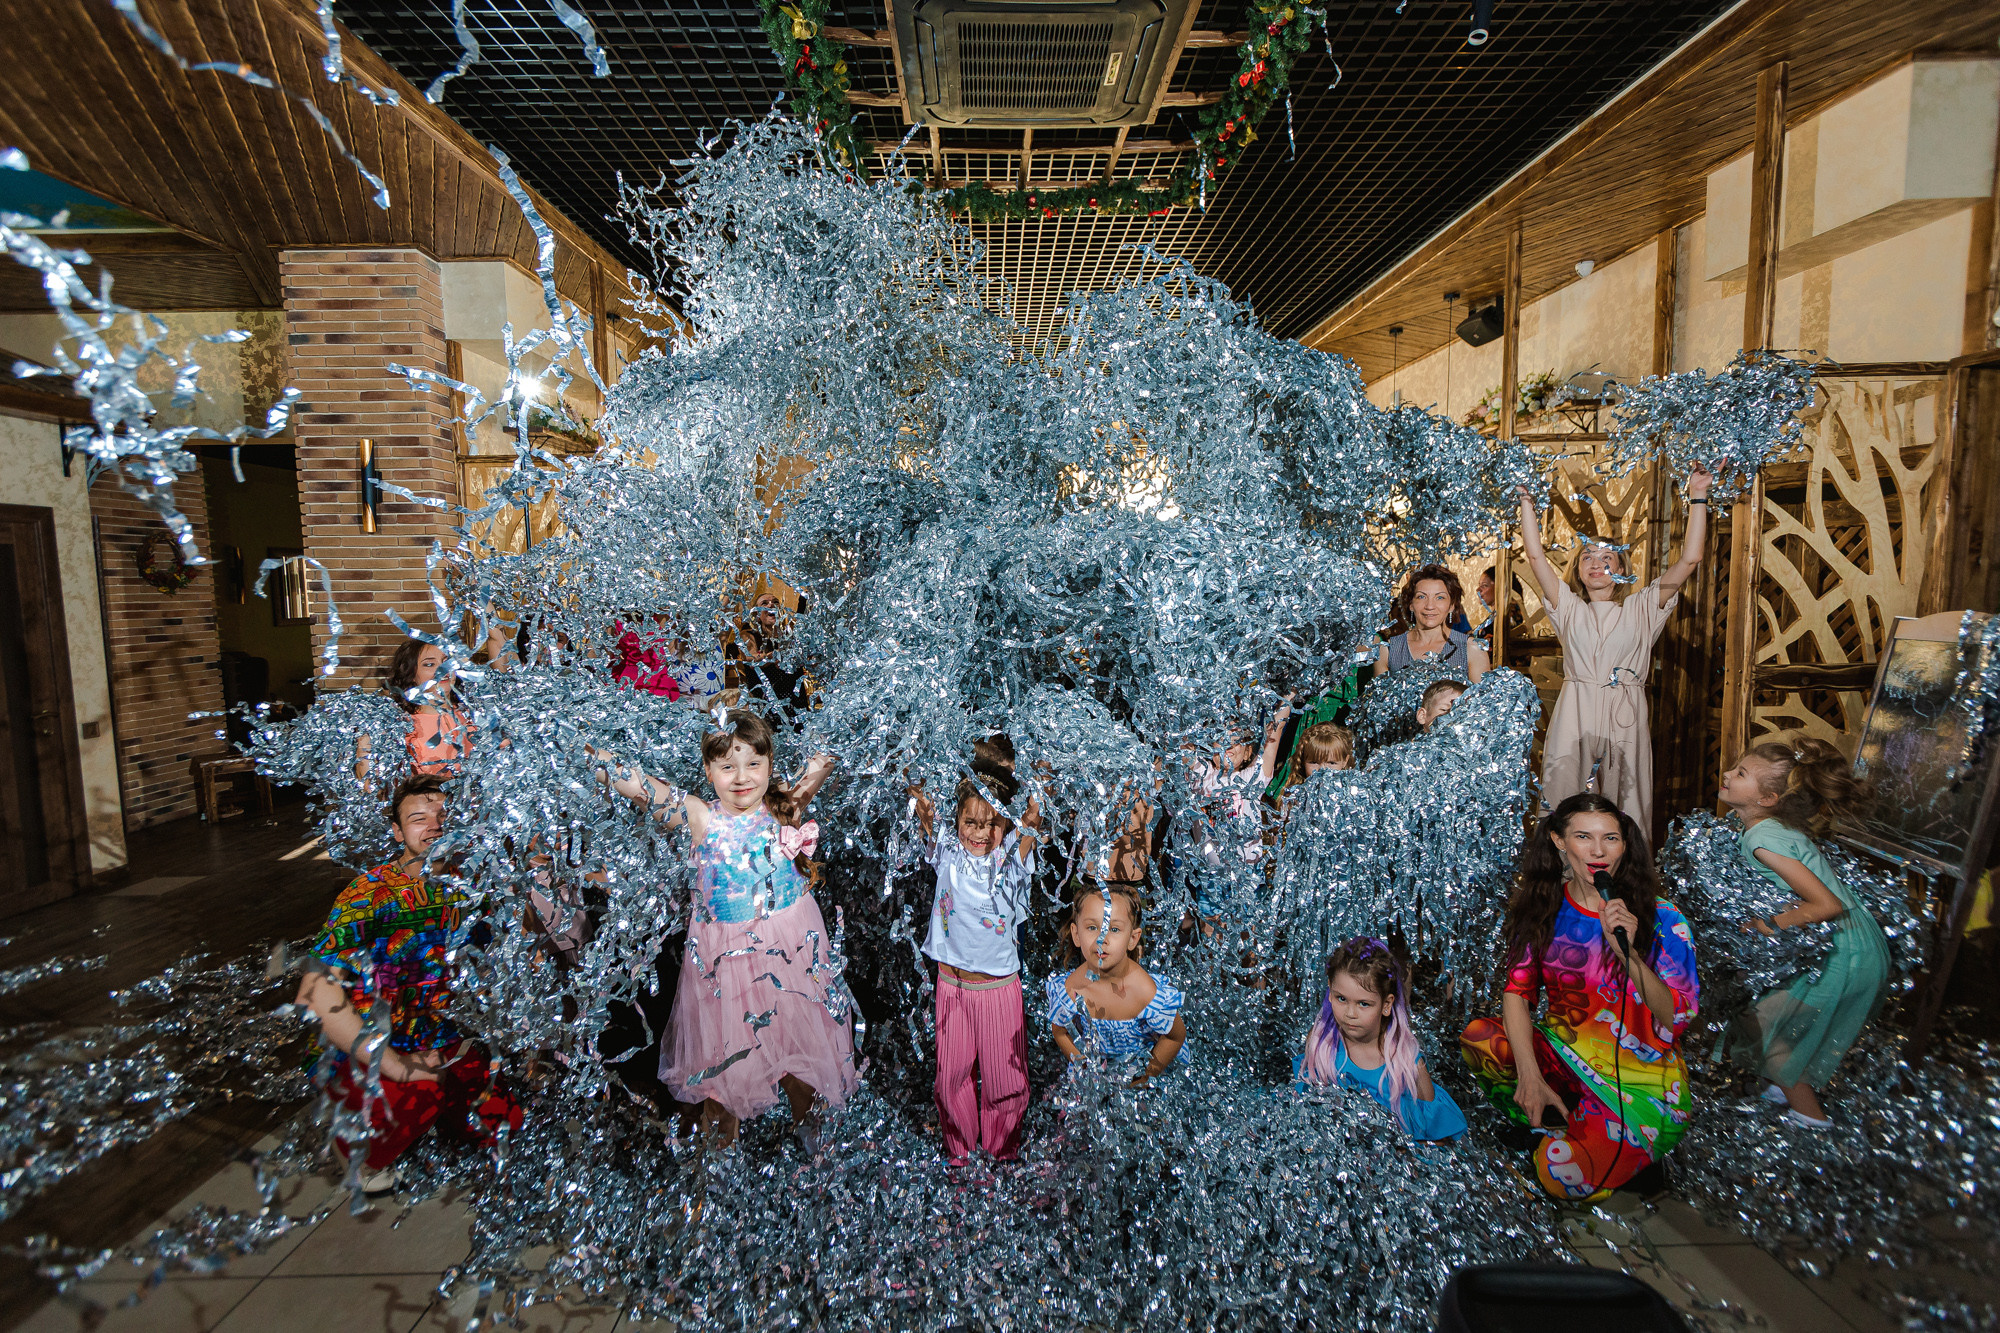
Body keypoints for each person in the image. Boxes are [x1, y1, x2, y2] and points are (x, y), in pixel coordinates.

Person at [590, 708, 855, 1148]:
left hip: (790, 947)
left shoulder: (782, 805)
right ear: (708, 769)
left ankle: (814, 1143)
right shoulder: (701, 817)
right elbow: (642, 790)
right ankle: (719, 1168)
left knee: (800, 1049)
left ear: (770, 765)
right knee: (723, 1070)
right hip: (726, 963)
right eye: (727, 766)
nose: (742, 777)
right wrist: (590, 756)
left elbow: (823, 760)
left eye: (754, 763)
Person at [1460, 793, 1699, 1201]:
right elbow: (1517, 994)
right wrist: (1531, 1075)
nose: (1598, 851)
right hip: (1564, 1059)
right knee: (1481, 1037)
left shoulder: (1663, 918)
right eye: (1584, 837)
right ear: (1558, 840)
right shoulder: (1543, 907)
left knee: (1558, 1178)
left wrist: (1630, 958)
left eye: (1611, 839)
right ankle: (1559, 1122)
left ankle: (1605, 1140)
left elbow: (1678, 1017)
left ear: (1626, 845)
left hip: (1642, 1082)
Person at [296, 775, 520, 1193]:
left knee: (501, 1127)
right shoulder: (367, 893)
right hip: (375, 1042)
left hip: (445, 1039)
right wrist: (395, 1066)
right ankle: (358, 1142)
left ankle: (434, 1111)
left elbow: (495, 968)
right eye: (418, 818)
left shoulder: (472, 889)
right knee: (419, 1099)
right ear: (398, 832)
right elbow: (314, 991)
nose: (434, 825)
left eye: (443, 815)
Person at [1515, 465, 1713, 833]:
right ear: (1578, 571)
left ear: (1622, 571)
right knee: (1563, 797)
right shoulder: (1568, 608)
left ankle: (1626, 881)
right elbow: (1537, 558)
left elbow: (1690, 560)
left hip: (1626, 713)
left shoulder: (1643, 608)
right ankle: (1559, 880)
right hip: (1575, 711)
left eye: (1608, 557)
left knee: (1627, 800)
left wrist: (1698, 495)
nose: (1597, 563)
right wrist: (1527, 501)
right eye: (1588, 556)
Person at [1718, 739, 1889, 1129]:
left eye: (1741, 773)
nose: (1728, 773)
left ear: (1768, 798)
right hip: (1848, 940)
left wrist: (1768, 925)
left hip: (1846, 949)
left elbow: (1825, 904)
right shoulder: (1770, 828)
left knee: (1759, 1022)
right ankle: (1785, 1086)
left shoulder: (1763, 839)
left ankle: (1810, 1119)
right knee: (1768, 1017)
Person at [913, 764, 1043, 1163]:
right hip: (951, 985)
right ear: (957, 821)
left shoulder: (1010, 860)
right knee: (951, 1078)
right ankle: (961, 1154)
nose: (981, 834)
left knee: (1005, 1080)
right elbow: (922, 806)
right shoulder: (947, 852)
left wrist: (1042, 779)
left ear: (1005, 823)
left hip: (997, 989)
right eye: (971, 822)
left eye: (992, 824)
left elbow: (1034, 818)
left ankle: (1002, 1153)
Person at [1299, 937, 1467, 1141]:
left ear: (1386, 1004)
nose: (1350, 1013)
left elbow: (1438, 1135)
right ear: (1330, 991)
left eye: (1364, 1004)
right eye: (1341, 999)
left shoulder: (1406, 1061)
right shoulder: (1321, 1044)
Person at [1047, 882, 1187, 1086]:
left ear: (1132, 938)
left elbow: (1175, 1036)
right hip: (1095, 1070)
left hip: (1137, 1068)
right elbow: (1059, 1031)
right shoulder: (1074, 986)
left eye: (1114, 929)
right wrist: (1082, 1065)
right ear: (1076, 935)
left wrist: (1145, 1077)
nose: (1102, 939)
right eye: (1092, 927)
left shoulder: (1143, 990)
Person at [354, 627, 511, 783]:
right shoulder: (399, 725)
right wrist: (364, 744)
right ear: (411, 675)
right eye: (429, 664)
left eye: (446, 661)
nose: (443, 670)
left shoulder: (478, 712)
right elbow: (371, 787)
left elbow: (498, 639)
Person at [1374, 564, 1489, 684]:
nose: (1430, 606)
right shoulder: (1388, 650)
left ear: (1451, 606)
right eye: (1421, 597)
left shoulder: (1472, 649)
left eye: (1440, 598)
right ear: (1411, 604)